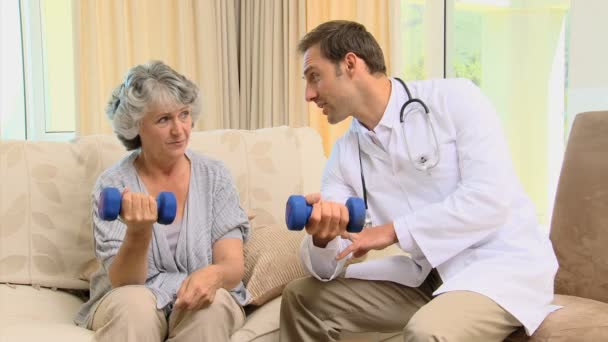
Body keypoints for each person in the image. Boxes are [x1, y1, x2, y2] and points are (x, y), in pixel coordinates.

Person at [280, 20, 559, 342]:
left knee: (428, 333)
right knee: (303, 297)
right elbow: (332, 260)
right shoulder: (344, 154)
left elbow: (489, 198)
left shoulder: (455, 99)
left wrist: (390, 231)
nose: (308, 94)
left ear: (351, 64)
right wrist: (323, 237)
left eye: (314, 77)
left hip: (499, 267)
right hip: (428, 276)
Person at [75, 61, 250, 341]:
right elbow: (124, 281)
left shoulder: (215, 176)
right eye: (163, 119)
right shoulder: (113, 185)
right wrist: (139, 230)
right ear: (135, 127)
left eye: (184, 115)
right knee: (136, 309)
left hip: (201, 293)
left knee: (213, 306)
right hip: (132, 292)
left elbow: (232, 264)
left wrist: (213, 275)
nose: (180, 130)